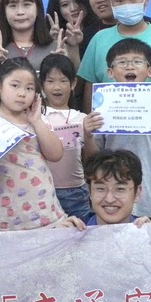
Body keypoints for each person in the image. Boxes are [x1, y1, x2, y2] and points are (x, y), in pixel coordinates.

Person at [83, 39, 151, 221]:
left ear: (150, 71)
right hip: (112, 201)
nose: (130, 66)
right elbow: (93, 159)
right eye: (122, 62)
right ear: (110, 72)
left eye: (137, 61)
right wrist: (88, 136)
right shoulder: (102, 111)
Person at [0, 58, 70, 231]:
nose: (22, 93)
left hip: (47, 212)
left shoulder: (37, 120)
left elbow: (56, 154)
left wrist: (37, 121)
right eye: (15, 86)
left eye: (29, 88)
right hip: (10, 218)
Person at [0, 0, 72, 86]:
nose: (20, 12)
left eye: (26, 5)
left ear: (38, 9)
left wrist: (64, 63)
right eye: (13, 6)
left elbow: (72, 88)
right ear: (4, 12)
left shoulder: (56, 48)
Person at [39, 53, 93, 224]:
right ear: (41, 85)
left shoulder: (82, 118)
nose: (57, 87)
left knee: (80, 233)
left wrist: (89, 135)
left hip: (76, 191)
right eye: (50, 81)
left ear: (73, 84)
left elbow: (91, 159)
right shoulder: (36, 117)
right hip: (42, 190)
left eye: (63, 81)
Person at [85, 149, 150, 227]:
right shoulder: (77, 231)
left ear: (137, 193)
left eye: (120, 189)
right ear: (90, 192)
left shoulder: (149, 231)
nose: (109, 199)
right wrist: (71, 233)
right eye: (101, 189)